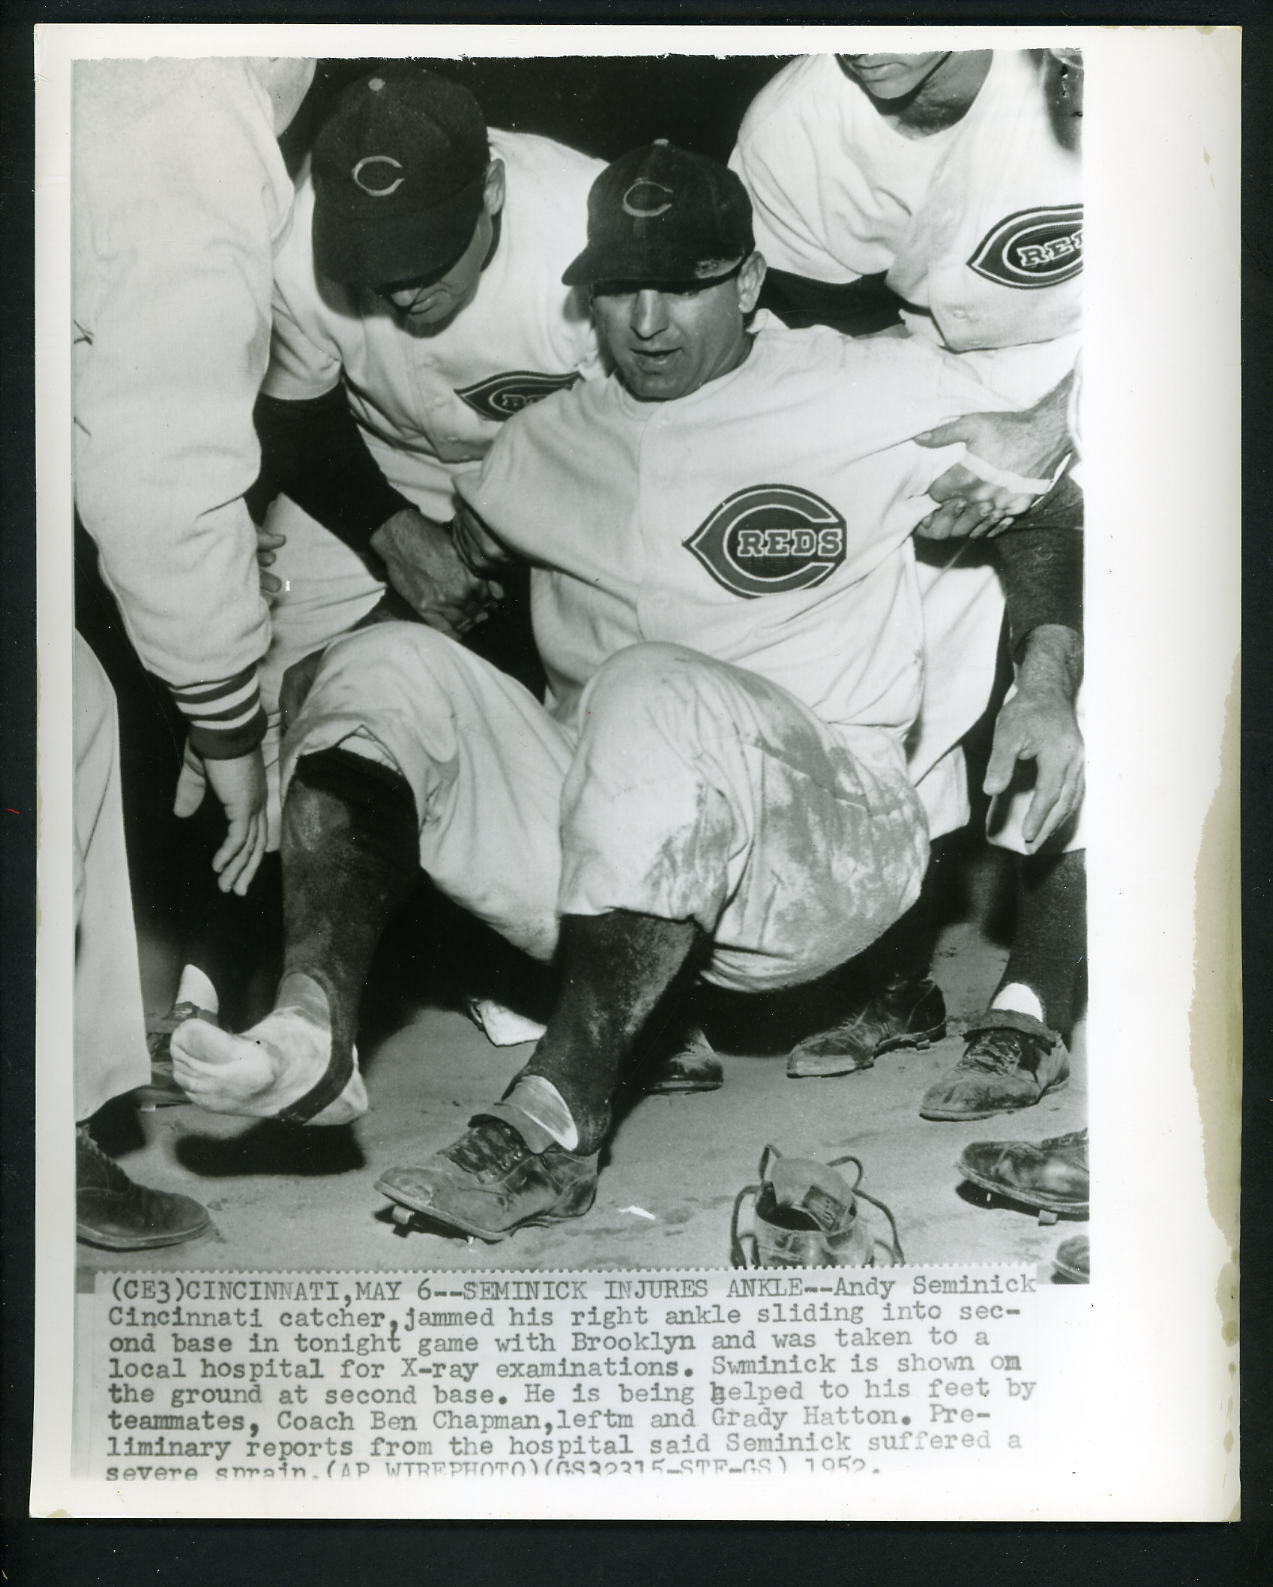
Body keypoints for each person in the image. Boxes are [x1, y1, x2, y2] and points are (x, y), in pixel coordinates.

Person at [170, 143, 1082, 1241]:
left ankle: (556, 1124)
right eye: (620, 291)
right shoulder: (536, 449)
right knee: (371, 667)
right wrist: (266, 711)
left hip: (831, 840)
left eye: (686, 286)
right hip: (617, 870)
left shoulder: (874, 389)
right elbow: (427, 602)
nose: (648, 322)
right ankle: (312, 1028)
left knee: (648, 687)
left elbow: (1038, 501)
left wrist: (1043, 680)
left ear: (746, 284)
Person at [143, 66, 606, 1082]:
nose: (400, 291)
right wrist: (393, 530)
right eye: (374, 269)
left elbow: (658, 435)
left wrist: (512, 524)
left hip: (573, 483)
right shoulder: (298, 242)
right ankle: (238, 986)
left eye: (426, 258)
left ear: (489, 191)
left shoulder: (588, 225)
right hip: (379, 471)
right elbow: (290, 411)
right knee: (276, 686)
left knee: (564, 722)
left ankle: (563, 967)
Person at [731, 49, 1087, 1116]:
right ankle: (896, 984)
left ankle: (1032, 1003)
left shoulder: (1081, 72)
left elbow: (1205, 275)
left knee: (1083, 665)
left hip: (1119, 359)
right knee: (895, 649)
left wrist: (1050, 427)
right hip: (942, 366)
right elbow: (793, 318)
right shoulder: (796, 124)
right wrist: (875, 438)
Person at [72, 54, 317, 1221]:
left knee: (73, 711)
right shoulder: (183, 95)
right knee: (60, 718)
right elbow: (160, 471)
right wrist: (227, 726)